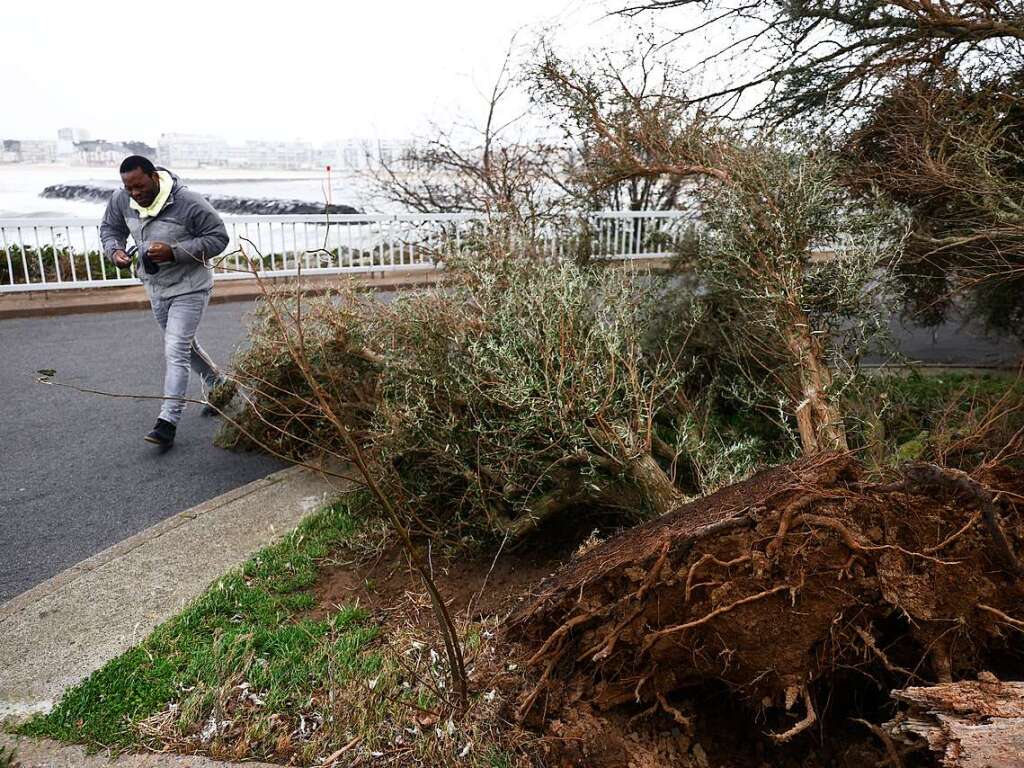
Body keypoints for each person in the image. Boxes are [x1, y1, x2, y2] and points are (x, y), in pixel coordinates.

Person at [100, 155, 230, 449]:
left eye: (139, 185)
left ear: (154, 177)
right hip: (156, 287)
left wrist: (175, 252)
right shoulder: (121, 199)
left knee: (175, 350)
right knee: (186, 347)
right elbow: (110, 229)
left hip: (191, 287)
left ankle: (167, 422)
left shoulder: (188, 202)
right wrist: (115, 251)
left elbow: (219, 238)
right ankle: (221, 386)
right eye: (128, 187)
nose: (134, 193)